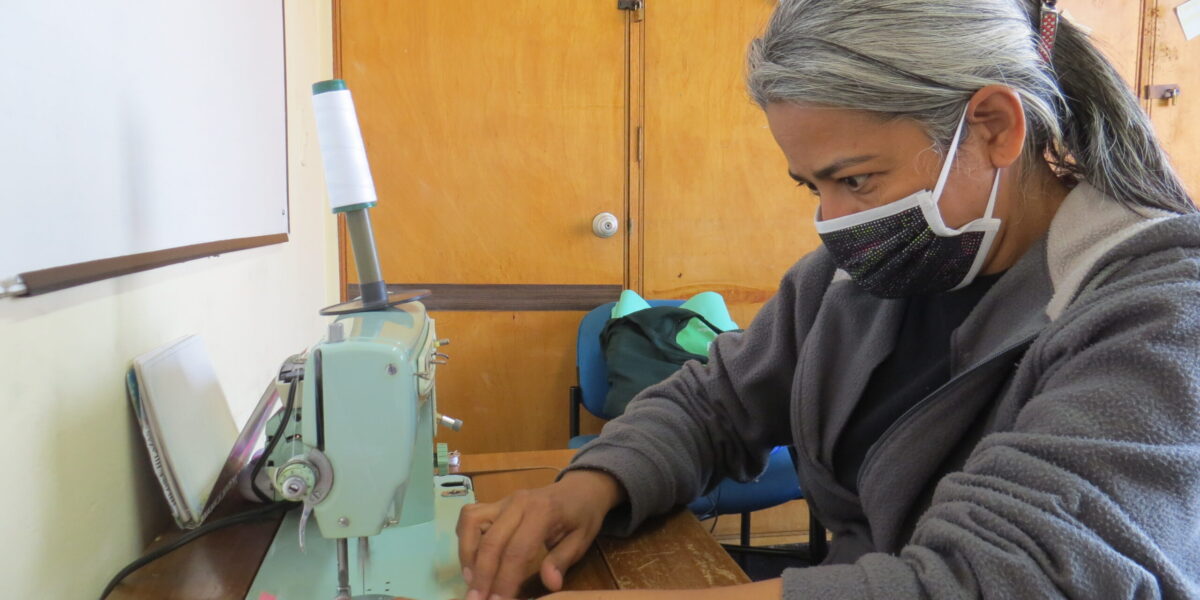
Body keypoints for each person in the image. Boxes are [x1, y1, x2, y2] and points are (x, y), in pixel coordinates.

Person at [456, 0, 1200, 598]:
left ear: (994, 127)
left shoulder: (1159, 311)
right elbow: (712, 403)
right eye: (812, 186)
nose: (833, 221)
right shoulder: (857, 278)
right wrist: (593, 486)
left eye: (857, 180)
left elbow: (1019, 576)